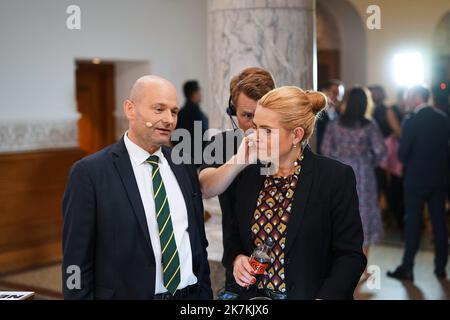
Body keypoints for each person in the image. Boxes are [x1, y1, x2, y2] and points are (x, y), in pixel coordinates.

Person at [62, 75, 212, 299]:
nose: (169, 119)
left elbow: (198, 240)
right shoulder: (89, 173)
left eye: (174, 111)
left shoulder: (184, 164)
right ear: (130, 109)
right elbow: (75, 261)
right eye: (158, 109)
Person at [220, 86, 366, 299]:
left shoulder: (334, 178)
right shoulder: (248, 175)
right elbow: (233, 237)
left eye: (267, 130)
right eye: (255, 127)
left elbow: (350, 256)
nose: (255, 137)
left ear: (296, 134)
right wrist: (237, 259)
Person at [387, 85, 449, 281]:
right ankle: (441, 268)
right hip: (439, 178)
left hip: (415, 179)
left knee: (413, 223)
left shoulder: (411, 120)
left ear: (415, 97)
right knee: (439, 223)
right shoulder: (442, 117)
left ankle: (407, 268)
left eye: (408, 96)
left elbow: (403, 154)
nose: (406, 99)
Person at [321, 87, 387, 258]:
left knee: (339, 212)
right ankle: (362, 264)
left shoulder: (334, 125)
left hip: (339, 172)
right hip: (363, 173)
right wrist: (367, 161)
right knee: (363, 213)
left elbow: (325, 150)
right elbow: (381, 150)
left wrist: (339, 158)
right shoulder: (369, 125)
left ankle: (338, 259)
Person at [199, 67, 276, 198]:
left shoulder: (287, 140)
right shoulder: (222, 142)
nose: (256, 124)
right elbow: (205, 189)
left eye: (262, 115)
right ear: (233, 112)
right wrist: (238, 161)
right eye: (247, 116)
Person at [174, 80, 209, 165]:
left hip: (181, 160)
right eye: (199, 91)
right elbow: (202, 139)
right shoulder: (196, 114)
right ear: (195, 94)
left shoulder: (180, 113)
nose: (201, 95)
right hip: (196, 162)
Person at [316, 79, 345, 154]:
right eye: (334, 93)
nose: (338, 98)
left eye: (340, 95)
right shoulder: (316, 113)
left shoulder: (339, 115)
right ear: (324, 92)